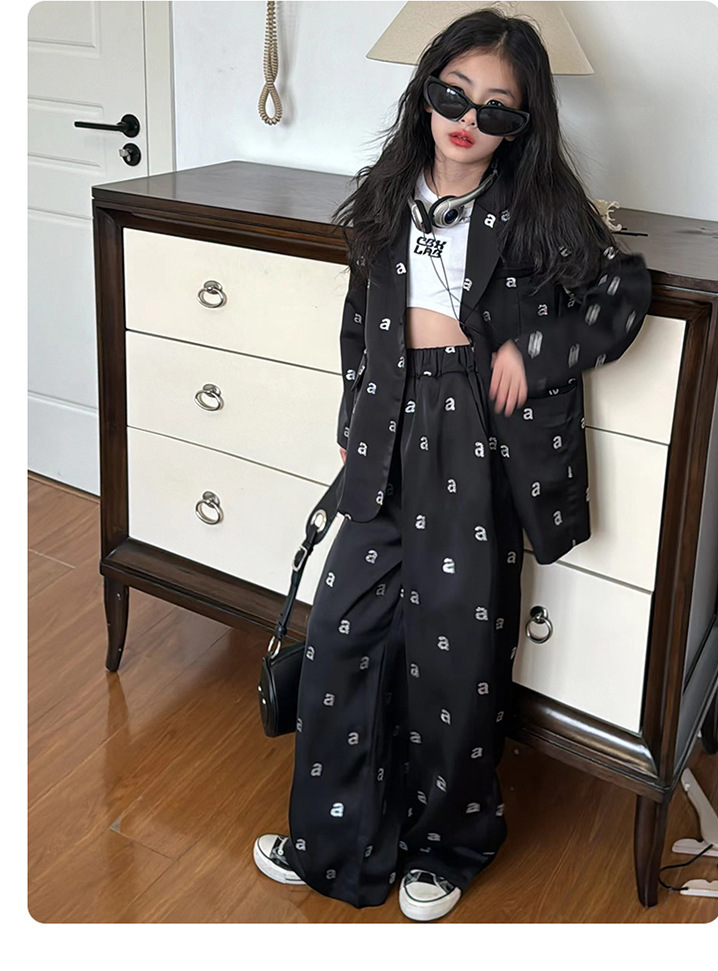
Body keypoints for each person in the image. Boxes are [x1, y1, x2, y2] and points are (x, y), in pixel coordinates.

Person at [254, 7, 650, 921]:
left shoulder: (540, 209)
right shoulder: (386, 194)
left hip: (476, 432)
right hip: (390, 426)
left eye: (497, 108)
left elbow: (621, 292)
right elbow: (360, 322)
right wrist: (355, 414)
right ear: (426, 90)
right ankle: (334, 841)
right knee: (342, 633)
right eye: (453, 94)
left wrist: (532, 355)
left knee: (456, 655)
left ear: (522, 123)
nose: (469, 118)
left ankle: (449, 844)